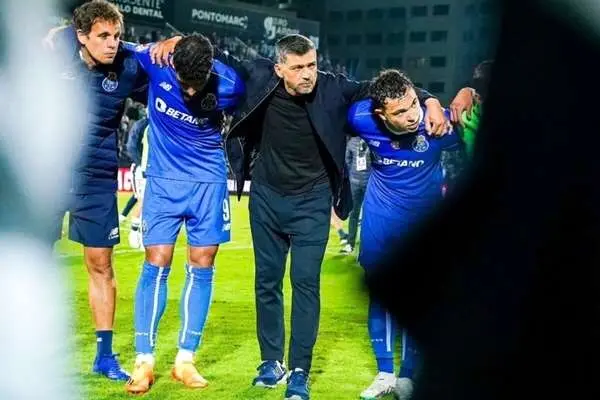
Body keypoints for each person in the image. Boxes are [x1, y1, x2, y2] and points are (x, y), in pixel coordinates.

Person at [151, 33, 451, 400]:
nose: (307, 73)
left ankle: (299, 371)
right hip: (266, 198)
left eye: (311, 64)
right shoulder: (258, 76)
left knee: (305, 284)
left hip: (313, 202)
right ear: (279, 69)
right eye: (297, 68)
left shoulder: (334, 88)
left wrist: (430, 100)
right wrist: (178, 41)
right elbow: (212, 60)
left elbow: (385, 88)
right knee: (267, 282)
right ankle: (270, 362)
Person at [121, 35, 244, 395]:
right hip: (163, 180)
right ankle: (144, 360)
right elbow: (115, 46)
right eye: (184, 83)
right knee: (156, 261)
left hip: (208, 180)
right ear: (173, 64)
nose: (190, 92)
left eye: (197, 84)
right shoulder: (156, 59)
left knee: (203, 263)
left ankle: (185, 359)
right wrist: (60, 35)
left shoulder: (230, 84)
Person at [47, 0, 148, 381]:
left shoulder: (129, 66)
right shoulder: (51, 56)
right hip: (48, 175)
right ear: (81, 37)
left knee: (101, 264)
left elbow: (165, 76)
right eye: (103, 36)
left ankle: (105, 356)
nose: (112, 43)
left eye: (117, 36)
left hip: (97, 178)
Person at [347, 69, 462, 400]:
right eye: (401, 111)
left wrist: (465, 92)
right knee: (380, 294)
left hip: (423, 221)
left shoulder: (437, 123)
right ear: (380, 114)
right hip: (380, 218)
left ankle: (408, 376)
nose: (413, 115)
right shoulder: (360, 117)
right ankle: (385, 373)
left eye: (414, 104)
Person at [341, 135, 372, 255]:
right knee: (353, 214)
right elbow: (347, 161)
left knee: (369, 214)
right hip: (354, 183)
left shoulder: (372, 142)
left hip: (369, 183)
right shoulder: (352, 142)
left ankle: (367, 244)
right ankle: (350, 243)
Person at [124, 116, 149, 250]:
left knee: (152, 203)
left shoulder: (161, 123)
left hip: (156, 169)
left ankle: (144, 234)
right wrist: (141, 164)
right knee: (142, 200)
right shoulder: (142, 124)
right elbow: (131, 146)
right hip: (142, 169)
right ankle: (135, 232)